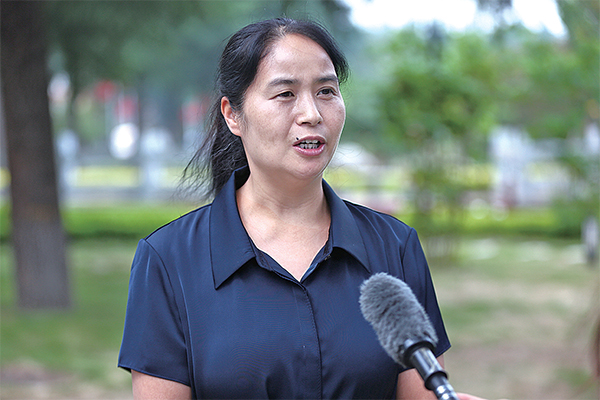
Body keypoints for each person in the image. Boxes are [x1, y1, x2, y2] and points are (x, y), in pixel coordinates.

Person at [119, 17, 475, 400]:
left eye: (326, 91)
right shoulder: (169, 259)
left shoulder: (395, 247)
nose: (312, 114)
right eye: (286, 94)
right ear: (233, 114)